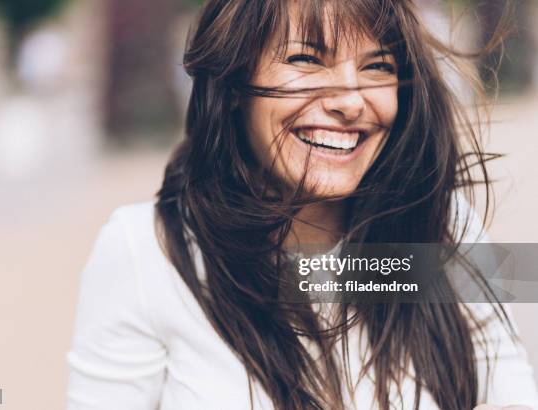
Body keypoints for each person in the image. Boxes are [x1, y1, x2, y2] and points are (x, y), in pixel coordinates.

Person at [66, 0, 538, 409]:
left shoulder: (443, 224)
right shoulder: (147, 251)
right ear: (233, 85)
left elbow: (504, 371)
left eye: (378, 66)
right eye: (307, 59)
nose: (350, 102)